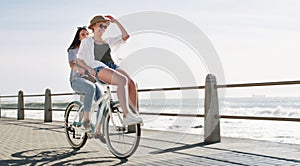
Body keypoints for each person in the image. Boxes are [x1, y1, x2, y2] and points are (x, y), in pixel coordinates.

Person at [77, 15, 142, 126]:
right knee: (122, 81)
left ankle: (133, 114)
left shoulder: (108, 41)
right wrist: (88, 69)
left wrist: (116, 22)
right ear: (93, 27)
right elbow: (79, 59)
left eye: (105, 27)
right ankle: (126, 116)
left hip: (112, 66)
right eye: (100, 26)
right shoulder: (87, 41)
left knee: (132, 83)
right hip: (98, 67)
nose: (103, 28)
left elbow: (126, 36)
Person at [67, 27, 106, 143]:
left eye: (87, 34)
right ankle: (86, 120)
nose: (85, 36)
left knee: (103, 101)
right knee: (91, 88)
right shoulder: (73, 50)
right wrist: (84, 71)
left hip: (91, 79)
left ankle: (98, 131)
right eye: (82, 34)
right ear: (79, 37)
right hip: (77, 80)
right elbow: (72, 65)